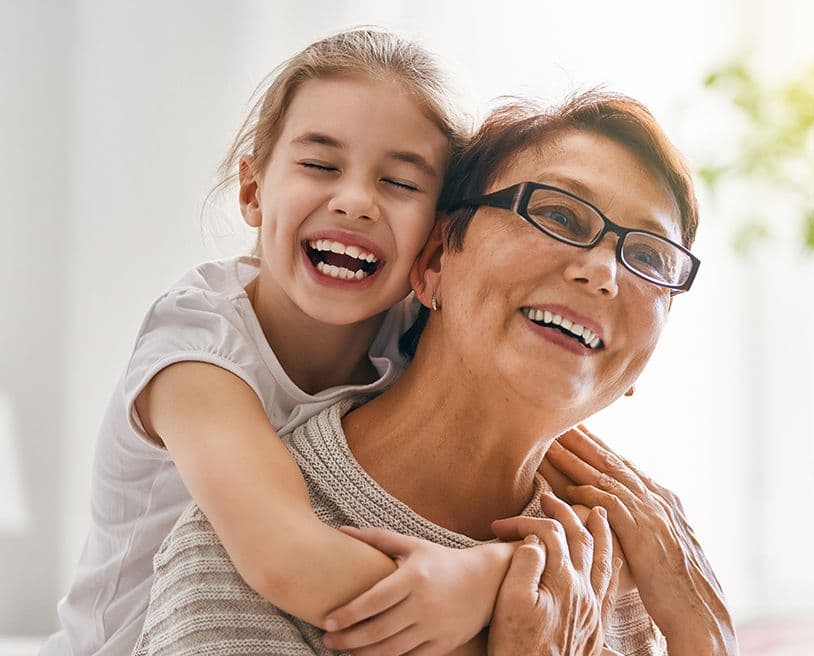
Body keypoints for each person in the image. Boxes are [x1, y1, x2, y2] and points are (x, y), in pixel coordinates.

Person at [130, 91, 737, 655]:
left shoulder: (637, 562)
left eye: (651, 258)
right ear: (435, 260)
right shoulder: (237, 560)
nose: (605, 272)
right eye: (557, 214)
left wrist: (704, 636)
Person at [42, 27, 491, 655]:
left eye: (401, 183)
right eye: (319, 165)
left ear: (439, 233)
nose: (356, 201)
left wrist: (496, 569)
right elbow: (288, 562)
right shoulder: (196, 348)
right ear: (253, 190)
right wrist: (491, 602)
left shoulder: (419, 340)